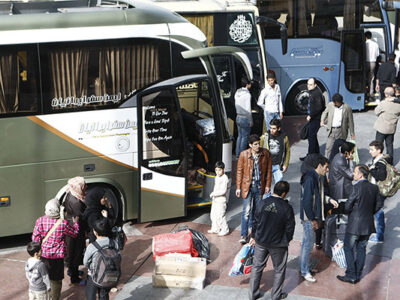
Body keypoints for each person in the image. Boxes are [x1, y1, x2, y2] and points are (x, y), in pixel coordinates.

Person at [248, 181, 295, 300]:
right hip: (278, 244)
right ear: (284, 193)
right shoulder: (286, 208)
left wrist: (254, 236)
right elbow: (290, 228)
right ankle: (276, 296)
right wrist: (286, 240)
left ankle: (252, 294)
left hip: (261, 242)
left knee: (257, 267)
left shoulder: (263, 203)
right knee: (279, 270)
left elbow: (255, 221)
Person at [337, 165, 382, 284]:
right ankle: (357, 274)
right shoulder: (374, 188)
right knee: (361, 248)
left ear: (361, 175)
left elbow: (347, 207)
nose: (353, 174)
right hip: (367, 224)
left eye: (355, 172)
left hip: (354, 225)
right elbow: (379, 205)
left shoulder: (355, 188)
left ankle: (351, 274)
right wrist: (369, 212)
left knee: (348, 248)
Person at [299, 155, 338, 282]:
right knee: (307, 244)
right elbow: (307, 201)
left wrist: (329, 200)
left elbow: (319, 196)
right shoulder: (310, 178)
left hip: (313, 216)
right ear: (319, 166)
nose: (327, 170)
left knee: (308, 244)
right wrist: (312, 219)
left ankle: (305, 266)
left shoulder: (318, 177)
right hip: (309, 218)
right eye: (326, 167)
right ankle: (305, 270)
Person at [32, 198, 79, 300]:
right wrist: (76, 223)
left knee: (44, 279)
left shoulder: (40, 221)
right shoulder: (63, 223)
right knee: (56, 281)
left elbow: (35, 239)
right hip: (57, 257)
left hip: (43, 256)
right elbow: (74, 234)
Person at [236, 134, 272, 244]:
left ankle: (255, 234)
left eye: (258, 143)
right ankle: (243, 234)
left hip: (259, 186)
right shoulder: (243, 154)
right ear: (250, 145)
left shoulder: (265, 153)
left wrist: (267, 185)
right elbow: (239, 171)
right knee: (246, 211)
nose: (258, 146)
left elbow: (269, 171)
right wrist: (238, 187)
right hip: (247, 187)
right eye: (255, 144)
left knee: (257, 212)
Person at [84, 218, 120, 300]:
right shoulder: (114, 243)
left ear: (95, 232)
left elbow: (85, 262)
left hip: (93, 275)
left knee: (90, 294)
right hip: (109, 275)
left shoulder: (92, 246)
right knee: (104, 294)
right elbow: (118, 256)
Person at [64, 176, 87, 284]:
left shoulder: (69, 193)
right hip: (76, 229)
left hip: (70, 224)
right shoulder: (76, 202)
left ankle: (71, 271)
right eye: (83, 186)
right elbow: (81, 216)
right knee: (76, 252)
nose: (85, 187)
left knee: (71, 251)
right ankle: (74, 277)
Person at [320, 93, 355, 159]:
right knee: (328, 147)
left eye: (334, 102)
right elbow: (325, 113)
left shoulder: (347, 108)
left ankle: (338, 161)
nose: (333, 103)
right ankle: (327, 162)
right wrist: (322, 120)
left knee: (340, 148)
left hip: (341, 131)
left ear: (339, 102)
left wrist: (352, 133)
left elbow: (350, 122)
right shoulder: (330, 105)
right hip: (331, 130)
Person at [300, 78, 325, 160]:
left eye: (310, 84)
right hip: (315, 118)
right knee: (313, 136)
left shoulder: (316, 93)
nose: (308, 86)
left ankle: (310, 156)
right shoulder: (314, 92)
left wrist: (310, 115)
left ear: (315, 85)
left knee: (311, 137)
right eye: (308, 84)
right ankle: (316, 154)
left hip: (316, 119)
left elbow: (318, 107)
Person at [373, 86, 400, 164]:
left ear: (387, 95)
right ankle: (390, 162)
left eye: (385, 93)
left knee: (378, 146)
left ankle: (376, 161)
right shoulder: (398, 105)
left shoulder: (384, 103)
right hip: (391, 129)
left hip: (381, 129)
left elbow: (376, 112)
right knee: (390, 146)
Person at [368, 140, 388, 243]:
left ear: (378, 150)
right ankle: (377, 234)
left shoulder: (381, 163)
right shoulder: (377, 159)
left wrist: (371, 170)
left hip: (378, 192)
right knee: (376, 212)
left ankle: (379, 237)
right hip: (375, 191)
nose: (369, 152)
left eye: (372, 149)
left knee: (378, 213)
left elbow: (381, 176)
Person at [260, 118, 290, 183]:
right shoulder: (265, 136)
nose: (271, 130)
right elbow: (259, 150)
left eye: (274, 128)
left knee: (279, 185)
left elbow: (287, 152)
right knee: (266, 187)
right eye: (270, 128)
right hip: (267, 165)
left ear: (279, 128)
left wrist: (286, 164)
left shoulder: (284, 138)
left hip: (278, 165)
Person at [208, 161, 230, 236]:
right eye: (216, 170)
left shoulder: (225, 178)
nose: (217, 172)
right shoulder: (217, 177)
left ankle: (225, 229)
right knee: (213, 215)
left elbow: (223, 191)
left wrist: (214, 194)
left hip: (221, 200)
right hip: (215, 199)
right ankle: (215, 228)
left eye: (219, 170)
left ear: (223, 169)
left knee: (220, 215)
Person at [235, 78, 253, 158]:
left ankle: (237, 154)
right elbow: (248, 109)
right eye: (250, 84)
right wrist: (251, 120)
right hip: (245, 118)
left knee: (240, 136)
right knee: (245, 137)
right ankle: (242, 156)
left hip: (238, 116)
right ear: (247, 84)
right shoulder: (247, 95)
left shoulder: (237, 92)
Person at [365, 31, 380, 97]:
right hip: (373, 63)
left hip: (365, 63)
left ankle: (364, 92)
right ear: (371, 36)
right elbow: (377, 55)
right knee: (371, 78)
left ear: (365, 37)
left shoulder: (364, 44)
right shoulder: (375, 44)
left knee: (364, 78)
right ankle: (371, 93)